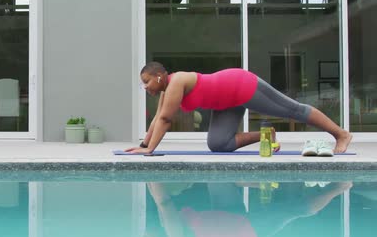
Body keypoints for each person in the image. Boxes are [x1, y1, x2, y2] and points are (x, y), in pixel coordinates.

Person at [126, 62, 352, 154]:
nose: (145, 87)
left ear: (159, 76)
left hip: (240, 86)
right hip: (225, 103)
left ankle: (341, 134)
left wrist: (150, 151)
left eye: (146, 82)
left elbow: (166, 119)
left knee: (293, 110)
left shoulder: (176, 82)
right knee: (217, 144)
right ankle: (266, 135)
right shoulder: (167, 89)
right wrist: (144, 145)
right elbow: (157, 119)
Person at [144, 181, 352, 237]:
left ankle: (264, 182)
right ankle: (339, 189)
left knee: (218, 179)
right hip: (243, 234)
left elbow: (156, 194)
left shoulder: (164, 224)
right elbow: (163, 201)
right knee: (292, 210)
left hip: (226, 216)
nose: (146, 233)